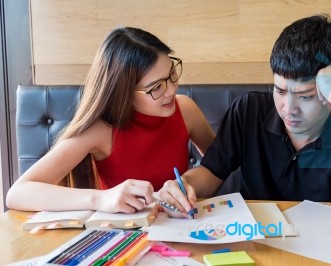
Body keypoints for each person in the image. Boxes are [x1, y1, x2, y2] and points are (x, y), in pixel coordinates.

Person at [159, 14, 331, 218]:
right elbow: (211, 171)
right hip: (258, 241)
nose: (288, 108)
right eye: (280, 91)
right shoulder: (250, 109)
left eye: (305, 96)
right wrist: (185, 184)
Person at [6, 27, 215, 214]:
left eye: (172, 75)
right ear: (124, 92)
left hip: (180, 228)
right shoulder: (101, 130)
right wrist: (101, 198)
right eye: (156, 87)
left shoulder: (185, 109)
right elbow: (17, 193)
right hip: (124, 236)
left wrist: (188, 183)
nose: (171, 90)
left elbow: (220, 167)